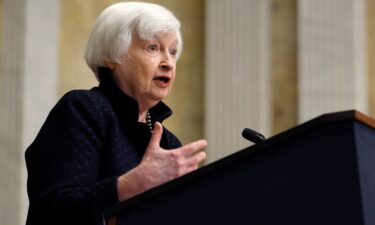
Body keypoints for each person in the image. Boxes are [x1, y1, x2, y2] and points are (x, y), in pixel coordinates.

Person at [25, 2, 207, 225]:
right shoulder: (84, 110)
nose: (168, 63)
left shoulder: (169, 144)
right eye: (152, 47)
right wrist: (131, 185)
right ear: (113, 56)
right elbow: (53, 210)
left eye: (173, 51)